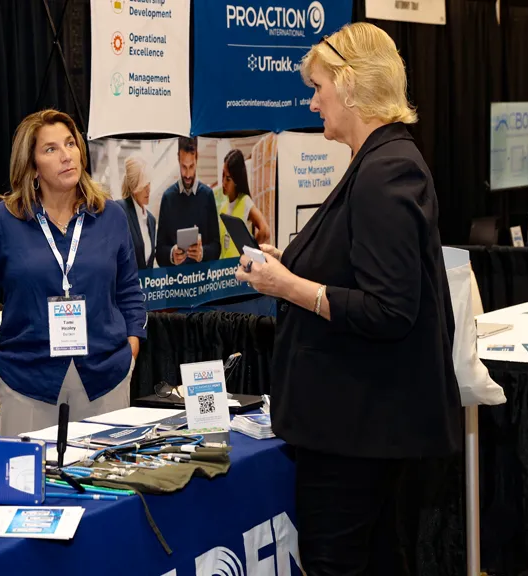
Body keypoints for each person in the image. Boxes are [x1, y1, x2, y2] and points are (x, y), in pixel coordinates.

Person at [236, 23, 461, 575]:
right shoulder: (377, 162)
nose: (312, 102)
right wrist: (290, 265)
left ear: (351, 85)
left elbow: (389, 310)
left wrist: (289, 286)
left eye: (317, 87)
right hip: (358, 430)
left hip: (358, 435)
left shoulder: (386, 170)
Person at [0, 109, 146, 436]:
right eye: (51, 149)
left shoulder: (111, 216)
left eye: (70, 144)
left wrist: (131, 350)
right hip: (26, 383)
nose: (66, 156)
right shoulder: (1, 222)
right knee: (26, 485)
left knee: (106, 482)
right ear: (32, 166)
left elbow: (130, 291)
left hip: (106, 377)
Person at [155, 137, 220, 267]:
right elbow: (160, 251)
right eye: (184, 167)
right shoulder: (168, 198)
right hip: (176, 283)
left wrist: (202, 253)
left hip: (202, 282)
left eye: (191, 166)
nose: (188, 174)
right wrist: (171, 255)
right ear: (178, 158)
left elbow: (216, 247)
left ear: (197, 158)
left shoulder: (207, 195)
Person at [218, 148, 270, 258]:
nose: (223, 183)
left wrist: (251, 252)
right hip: (224, 270)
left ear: (236, 181)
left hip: (240, 269)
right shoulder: (223, 207)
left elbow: (265, 231)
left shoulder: (245, 202)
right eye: (222, 175)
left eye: (228, 179)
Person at [115, 155, 157, 270]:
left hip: (147, 286)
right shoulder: (120, 211)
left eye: (149, 183)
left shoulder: (151, 220)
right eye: (143, 185)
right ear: (134, 187)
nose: (148, 189)